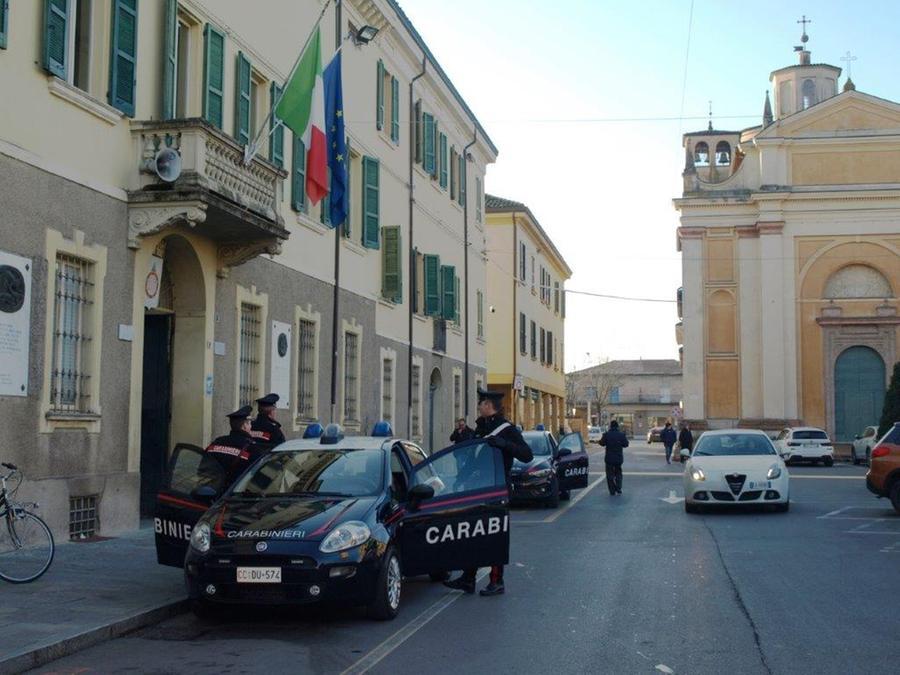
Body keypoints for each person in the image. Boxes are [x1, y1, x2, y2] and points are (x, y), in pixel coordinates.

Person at [444, 388, 532, 597]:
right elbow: (474, 457)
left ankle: (496, 580)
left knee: (494, 537)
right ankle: (468, 579)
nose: (478, 406)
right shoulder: (481, 427)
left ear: (489, 406)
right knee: (473, 534)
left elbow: (527, 455)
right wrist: (460, 479)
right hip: (477, 489)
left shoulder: (506, 430)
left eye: (481, 403)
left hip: (496, 490)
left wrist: (504, 444)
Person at [203, 406, 268, 487]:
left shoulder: (217, 442)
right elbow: (259, 478)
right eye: (250, 423)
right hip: (235, 495)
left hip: (212, 491)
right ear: (244, 426)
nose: (251, 426)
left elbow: (202, 469)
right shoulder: (252, 448)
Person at [599, 420, 629, 495]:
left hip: (609, 458)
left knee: (609, 475)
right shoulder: (621, 435)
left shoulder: (606, 434)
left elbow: (602, 443)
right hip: (618, 458)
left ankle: (612, 490)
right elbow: (626, 444)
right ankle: (618, 488)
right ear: (617, 426)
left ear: (610, 426)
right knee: (618, 473)